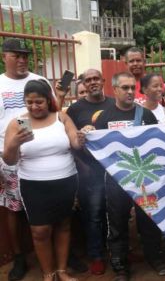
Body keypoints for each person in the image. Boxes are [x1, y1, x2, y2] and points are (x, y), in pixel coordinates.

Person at [3, 79, 85, 281]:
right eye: (29, 102)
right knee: (40, 230)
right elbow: (10, 160)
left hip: (66, 181)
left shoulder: (60, 117)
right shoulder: (21, 123)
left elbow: (75, 142)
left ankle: (62, 270)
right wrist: (13, 143)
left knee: (64, 225)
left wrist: (81, 138)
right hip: (33, 184)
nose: (33, 106)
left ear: (48, 100)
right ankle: (48, 273)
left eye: (38, 102)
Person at [93, 72, 165, 281]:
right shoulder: (103, 117)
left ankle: (154, 258)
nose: (129, 92)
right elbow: (96, 148)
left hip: (144, 177)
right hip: (117, 180)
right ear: (115, 90)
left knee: (149, 221)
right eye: (124, 88)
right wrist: (87, 133)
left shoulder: (146, 115)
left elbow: (157, 146)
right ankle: (120, 266)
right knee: (117, 223)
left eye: (131, 88)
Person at [0, 38, 53, 281]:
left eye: (25, 55)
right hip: (8, 156)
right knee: (13, 207)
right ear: (4, 57)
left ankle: (61, 252)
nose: (21, 60)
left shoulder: (39, 81)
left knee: (52, 204)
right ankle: (19, 257)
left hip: (42, 152)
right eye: (15, 55)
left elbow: (55, 110)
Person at [65, 69, 115, 275]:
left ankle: (117, 251)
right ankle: (96, 255)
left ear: (103, 81)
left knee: (115, 214)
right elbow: (68, 141)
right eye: (88, 80)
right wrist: (81, 165)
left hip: (114, 168)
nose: (93, 82)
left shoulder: (114, 104)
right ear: (83, 84)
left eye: (96, 79)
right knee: (93, 215)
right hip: (89, 171)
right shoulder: (74, 110)